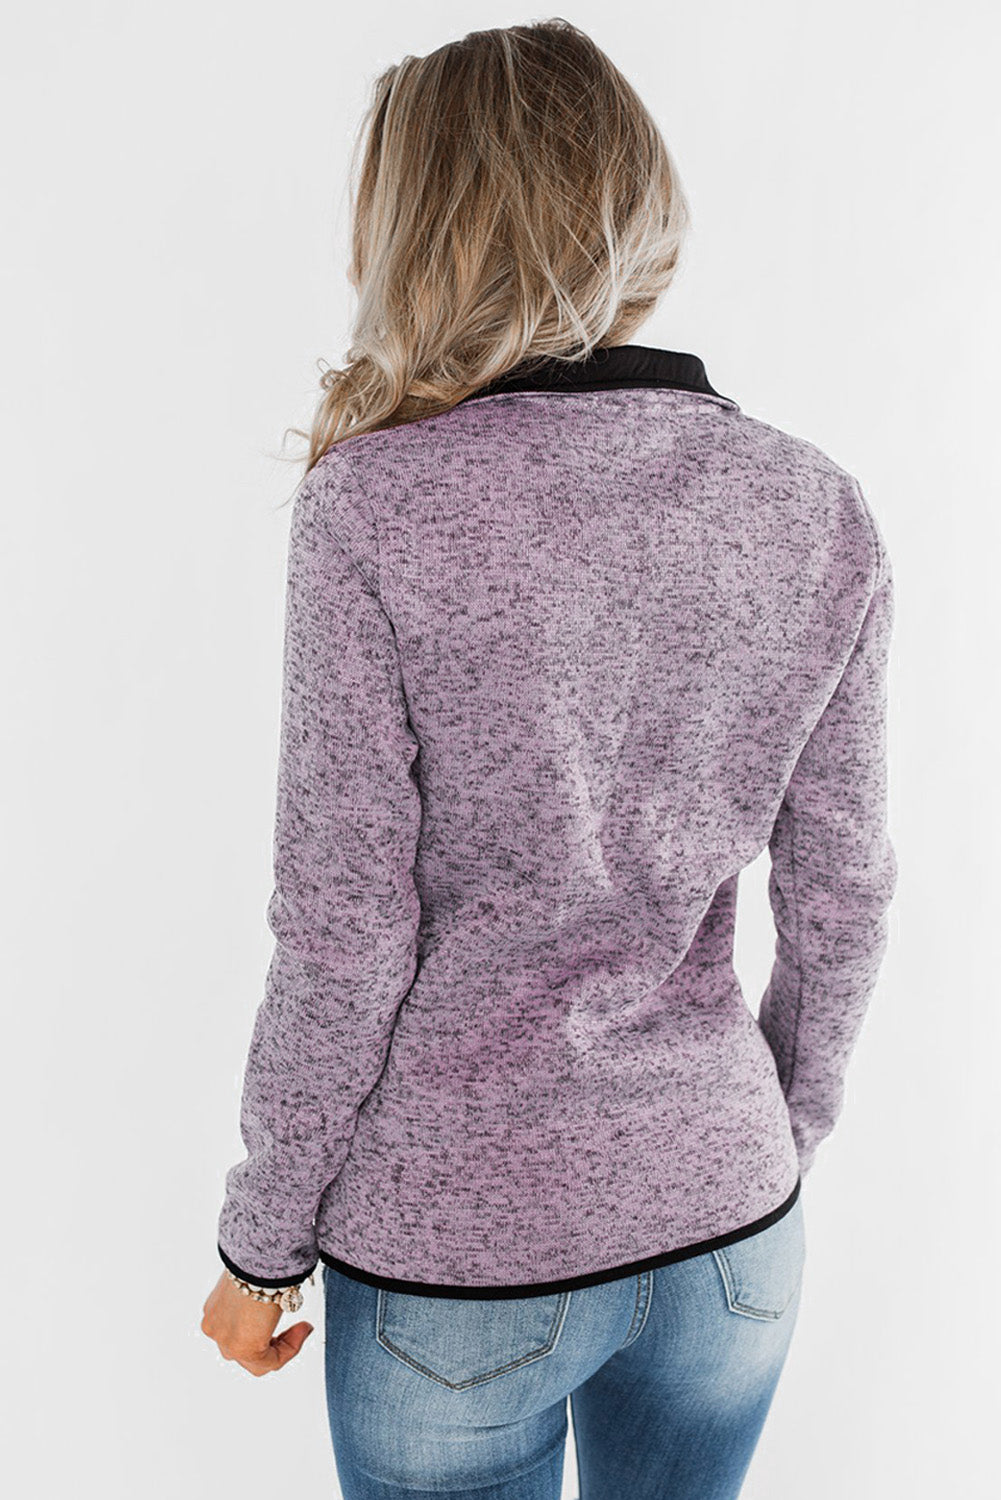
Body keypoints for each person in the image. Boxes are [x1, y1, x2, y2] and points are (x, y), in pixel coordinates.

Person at [201, 18, 898, 1500]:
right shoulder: (812, 501)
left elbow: (342, 927)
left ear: (421, 229)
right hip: (731, 1228)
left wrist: (260, 1249)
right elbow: (843, 895)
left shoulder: (374, 505)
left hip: (459, 1252)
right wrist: (767, 1135)